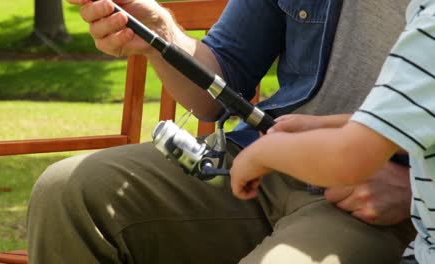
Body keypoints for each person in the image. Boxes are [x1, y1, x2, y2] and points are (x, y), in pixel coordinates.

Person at [27, 0, 416, 263]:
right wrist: (158, 32)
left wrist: (418, 187)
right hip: (258, 166)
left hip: (369, 201)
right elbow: (218, 84)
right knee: (67, 191)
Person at [230, 0, 435, 263]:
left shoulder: (428, 32)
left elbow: (350, 157)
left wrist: (260, 154)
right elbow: (414, 122)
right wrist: (323, 125)